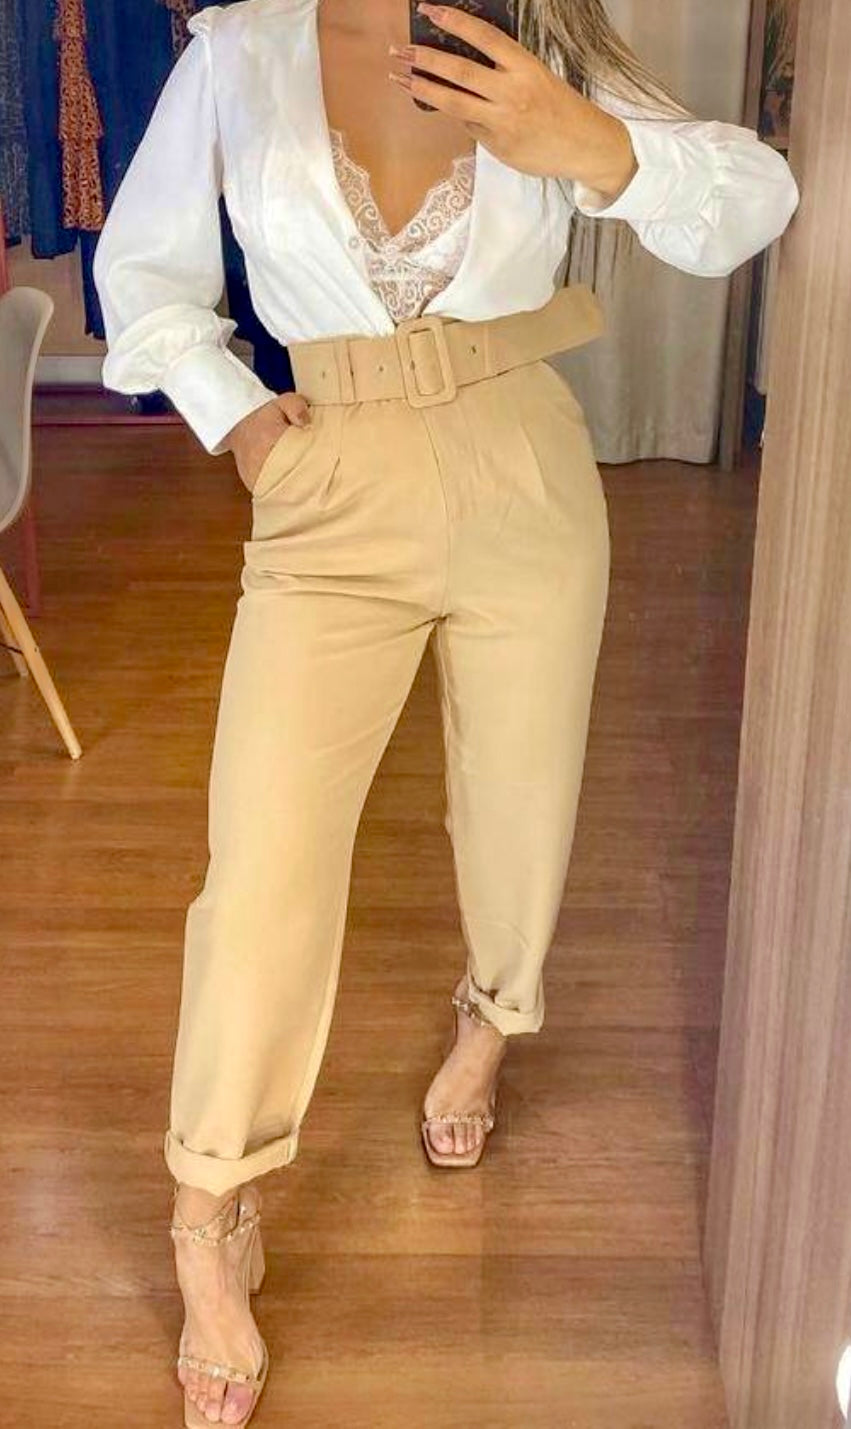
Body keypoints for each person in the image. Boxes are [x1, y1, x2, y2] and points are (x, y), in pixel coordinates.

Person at [92, 0, 800, 1422]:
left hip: (520, 462)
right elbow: (144, 267)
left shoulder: (534, 36)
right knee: (262, 863)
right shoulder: (240, 52)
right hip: (327, 478)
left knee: (521, 796)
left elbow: (752, 202)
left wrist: (584, 139)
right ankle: (209, 1206)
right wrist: (233, 410)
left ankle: (492, 1018)